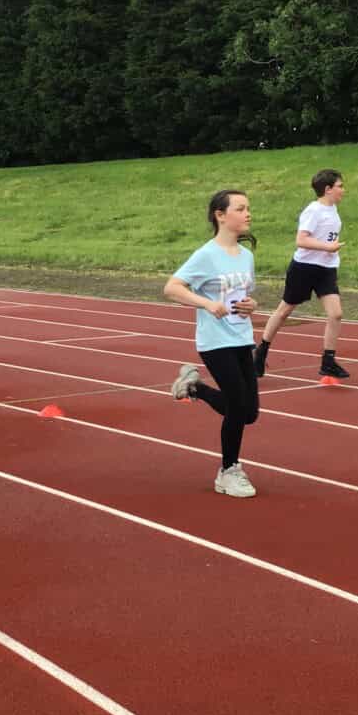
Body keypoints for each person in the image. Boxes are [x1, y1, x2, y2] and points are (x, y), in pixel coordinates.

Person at [163, 189, 261, 498]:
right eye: (240, 208)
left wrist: (251, 305)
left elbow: (244, 294)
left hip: (242, 336)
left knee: (249, 413)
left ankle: (195, 388)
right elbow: (172, 288)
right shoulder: (206, 255)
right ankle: (228, 471)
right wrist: (205, 303)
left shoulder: (246, 256)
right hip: (215, 342)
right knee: (237, 407)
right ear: (220, 215)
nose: (248, 213)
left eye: (248, 208)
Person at [253, 169, 348, 379]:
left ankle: (328, 361)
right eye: (340, 186)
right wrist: (327, 247)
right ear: (328, 189)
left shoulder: (333, 209)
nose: (343, 190)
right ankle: (261, 352)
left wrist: (330, 252)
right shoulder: (313, 211)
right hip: (304, 268)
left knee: (336, 314)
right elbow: (301, 240)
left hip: (326, 269)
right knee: (284, 312)